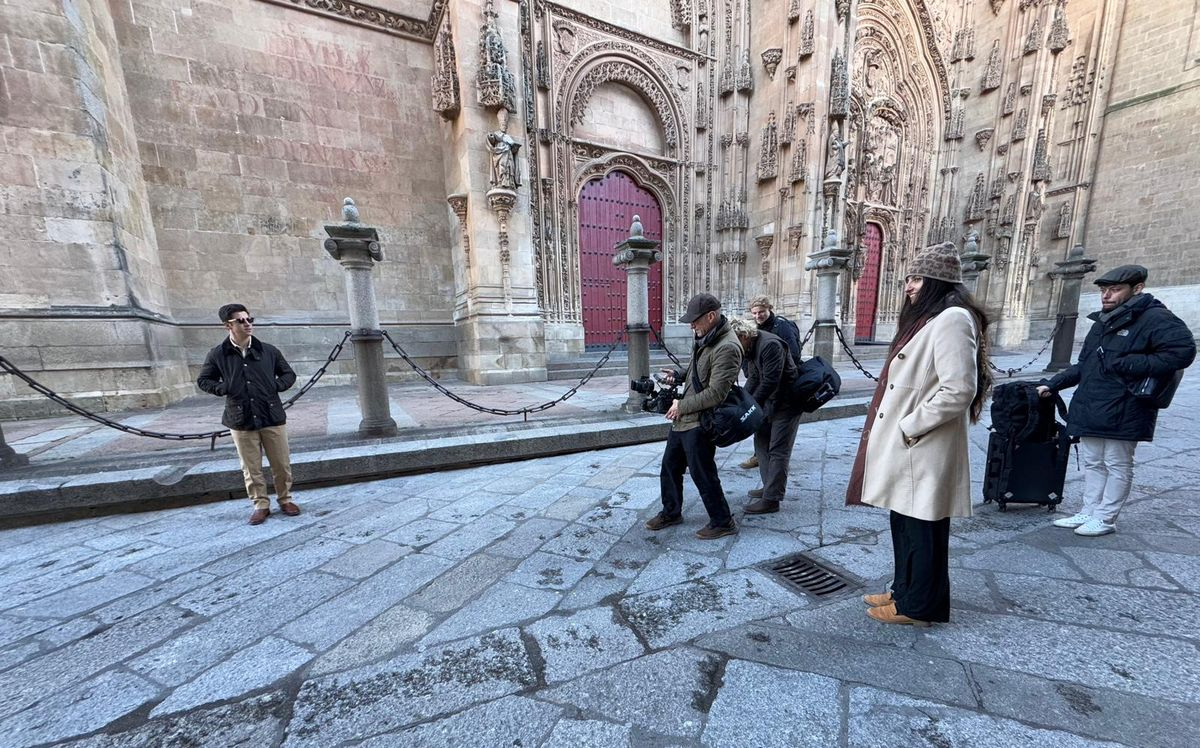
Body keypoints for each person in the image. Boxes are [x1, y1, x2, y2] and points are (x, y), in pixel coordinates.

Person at [846, 242, 991, 626]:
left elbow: (959, 388)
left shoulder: (952, 319)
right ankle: (903, 591)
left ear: (936, 281)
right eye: (908, 278)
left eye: (916, 278)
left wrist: (911, 425)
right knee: (904, 522)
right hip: (911, 446)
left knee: (923, 528)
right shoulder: (931, 318)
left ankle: (920, 607)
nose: (908, 286)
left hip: (922, 443)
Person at [1038, 265, 1195, 537]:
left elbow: (1183, 352)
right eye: (1103, 290)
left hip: (1126, 403)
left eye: (1114, 290)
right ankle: (1089, 510)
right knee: (1093, 461)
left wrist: (1130, 363)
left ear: (1137, 289)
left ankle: (1106, 517)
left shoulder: (1155, 317)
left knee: (1117, 462)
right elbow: (1085, 364)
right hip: (1093, 401)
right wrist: (1053, 384)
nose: (1106, 295)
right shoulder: (1103, 321)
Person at [646, 293, 743, 539]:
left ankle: (723, 521)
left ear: (711, 316)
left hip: (701, 420)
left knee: (703, 473)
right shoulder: (705, 336)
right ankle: (671, 512)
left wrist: (682, 406)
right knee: (670, 467)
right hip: (684, 419)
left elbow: (716, 394)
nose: (691, 325)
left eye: (694, 320)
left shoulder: (728, 347)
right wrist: (678, 375)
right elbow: (698, 372)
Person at [197, 304, 299, 525]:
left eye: (249, 319)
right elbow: (204, 380)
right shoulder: (217, 354)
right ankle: (261, 504)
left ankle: (285, 499)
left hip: (271, 415)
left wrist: (276, 386)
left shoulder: (268, 351)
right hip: (240, 418)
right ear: (228, 326)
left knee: (281, 463)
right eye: (241, 320)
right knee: (251, 467)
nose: (247, 323)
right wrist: (224, 388)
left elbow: (289, 373)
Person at [731, 318, 801, 514]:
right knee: (761, 444)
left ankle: (772, 499)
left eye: (736, 342)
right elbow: (753, 378)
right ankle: (768, 486)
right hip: (769, 403)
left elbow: (771, 381)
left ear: (744, 336)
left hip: (786, 403)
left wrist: (750, 406)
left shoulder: (769, 344)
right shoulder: (751, 347)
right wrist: (742, 402)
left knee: (778, 449)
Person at [739, 295, 801, 470]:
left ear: (769, 309)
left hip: (781, 387)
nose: (758, 316)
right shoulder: (753, 330)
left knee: (777, 436)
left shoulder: (782, 327)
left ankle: (773, 466)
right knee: (761, 424)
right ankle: (760, 456)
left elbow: (793, 355)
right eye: (755, 313)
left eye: (761, 312)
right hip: (763, 380)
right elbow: (749, 357)